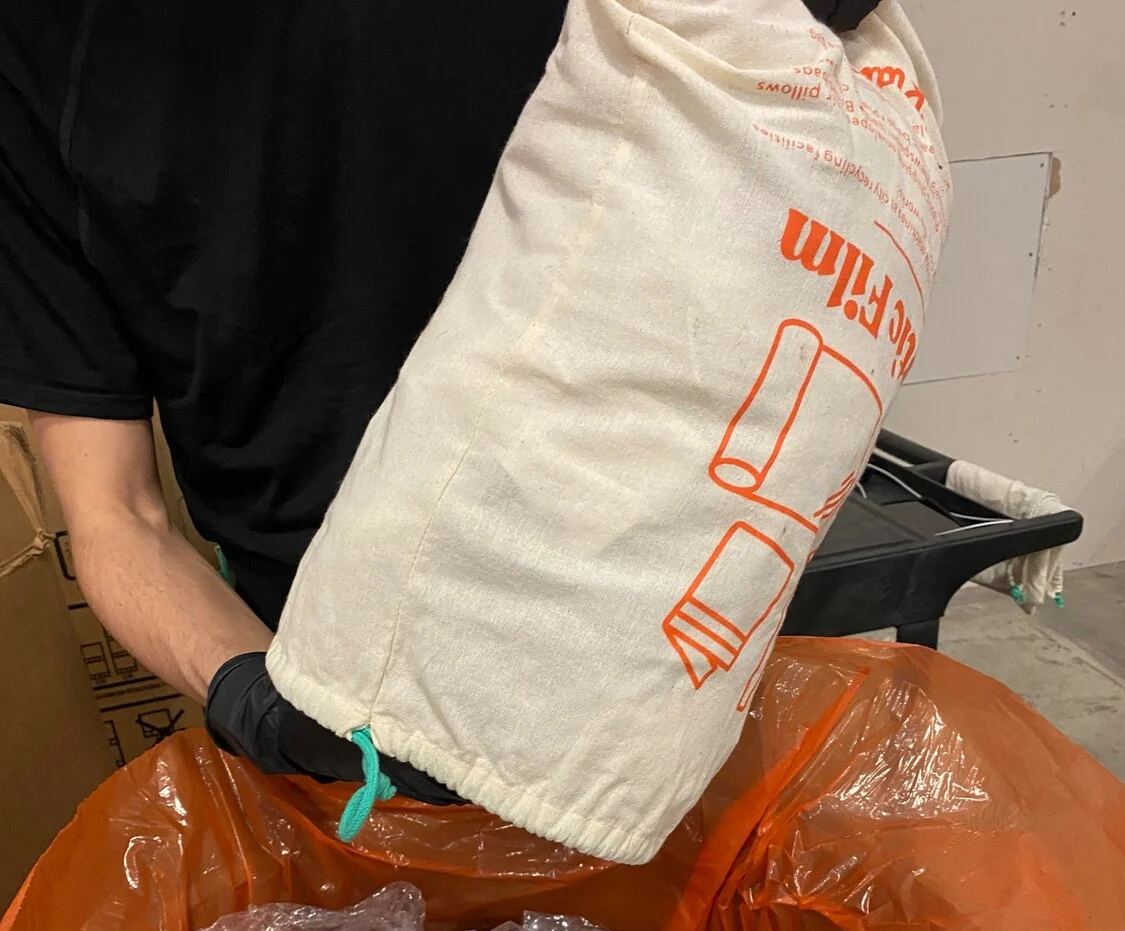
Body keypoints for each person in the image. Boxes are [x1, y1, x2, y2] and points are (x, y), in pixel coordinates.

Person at [0, 0, 877, 797]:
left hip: (670, 601)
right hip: (329, 659)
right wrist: (255, 695)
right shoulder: (34, 57)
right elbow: (116, 516)